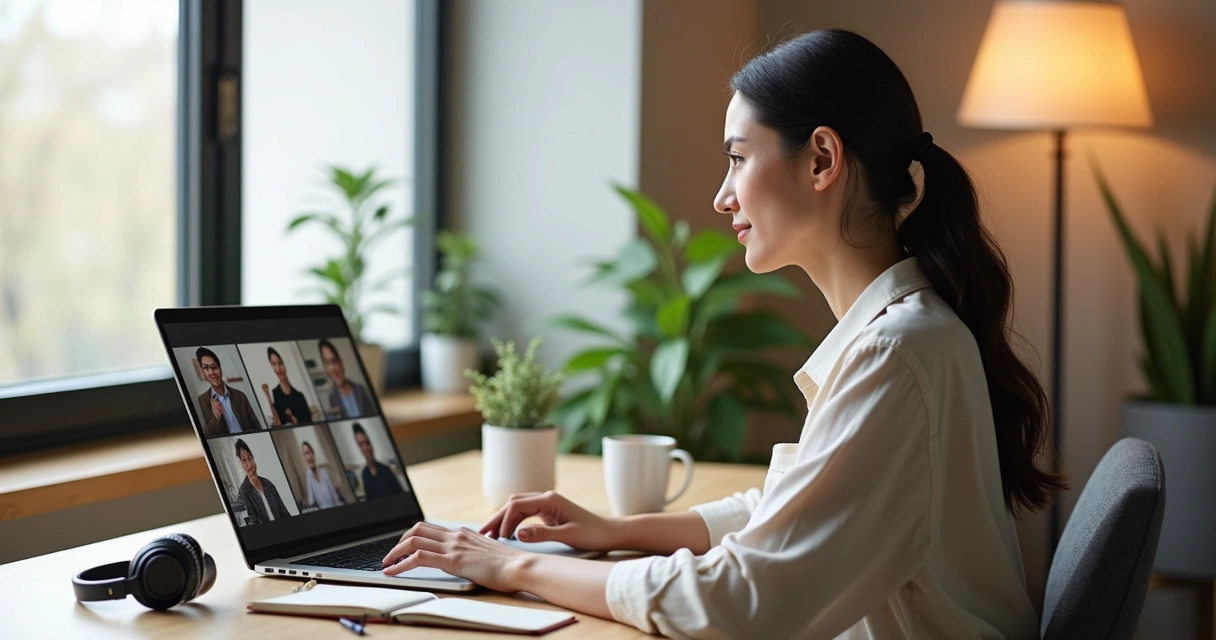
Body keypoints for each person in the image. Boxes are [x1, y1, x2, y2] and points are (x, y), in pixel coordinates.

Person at [377, 29, 1065, 639]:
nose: (721, 195)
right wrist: (614, 531)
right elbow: (787, 512)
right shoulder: (905, 336)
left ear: (823, 159)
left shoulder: (897, 352)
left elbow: (742, 603)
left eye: (738, 158)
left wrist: (511, 563)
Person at [195, 347, 263, 437]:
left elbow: (257, 427)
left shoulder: (240, 396)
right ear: (203, 372)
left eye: (214, 367)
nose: (211, 372)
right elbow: (209, 435)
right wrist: (216, 416)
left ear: (220, 369)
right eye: (206, 368)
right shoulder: (203, 400)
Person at [234, 438, 292, 525]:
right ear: (240, 463)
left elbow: (284, 512)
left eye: (250, 458)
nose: (249, 464)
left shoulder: (268, 484)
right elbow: (251, 521)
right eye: (244, 460)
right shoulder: (243, 491)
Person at [319, 339, 377, 419]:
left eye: (334, 361)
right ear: (325, 368)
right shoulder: (332, 398)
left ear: (341, 363)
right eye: (328, 363)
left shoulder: (361, 389)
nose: (332, 368)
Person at [261, 346, 313, 426]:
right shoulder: (275, 393)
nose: (278, 369)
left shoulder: (300, 396)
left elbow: (308, 422)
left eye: (280, 363)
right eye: (274, 364)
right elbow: (278, 423)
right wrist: (268, 397)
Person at [352, 423, 404, 499]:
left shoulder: (386, 470)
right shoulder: (364, 474)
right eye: (361, 444)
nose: (366, 448)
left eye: (367, 443)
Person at [301, 440, 344, 510]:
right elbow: (312, 502)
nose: (308, 457)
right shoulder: (308, 477)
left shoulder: (324, 472)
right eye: (305, 454)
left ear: (312, 453)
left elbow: (334, 495)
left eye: (308, 452)